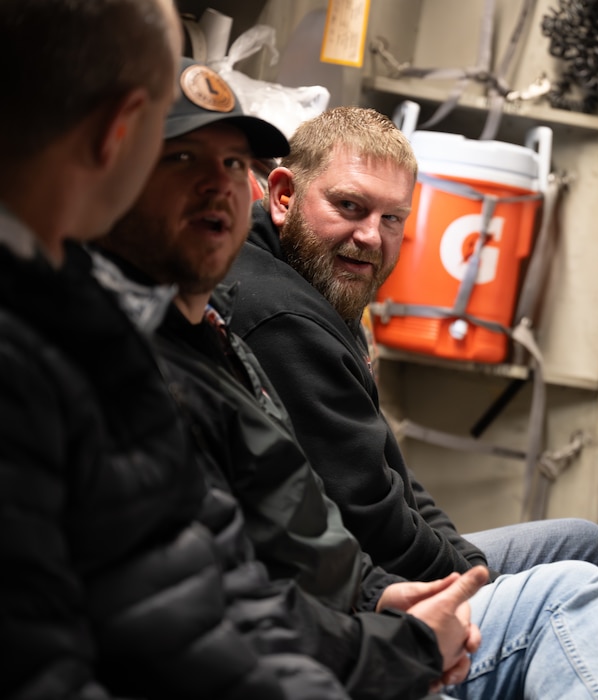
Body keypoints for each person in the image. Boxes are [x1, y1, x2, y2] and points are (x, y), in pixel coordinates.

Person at [98, 61, 598, 699]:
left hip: (353, 602)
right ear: (285, 195)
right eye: (182, 162)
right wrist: (405, 632)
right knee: (576, 597)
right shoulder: (261, 322)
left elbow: (373, 484)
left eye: (233, 166)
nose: (369, 237)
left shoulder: (219, 331)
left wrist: (403, 588)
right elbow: (333, 535)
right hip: (340, 639)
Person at [0, 5, 348, 699]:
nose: (223, 186)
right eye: (176, 145)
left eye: (235, 163)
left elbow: (207, 584)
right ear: (121, 130)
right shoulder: (42, 352)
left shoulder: (81, 318)